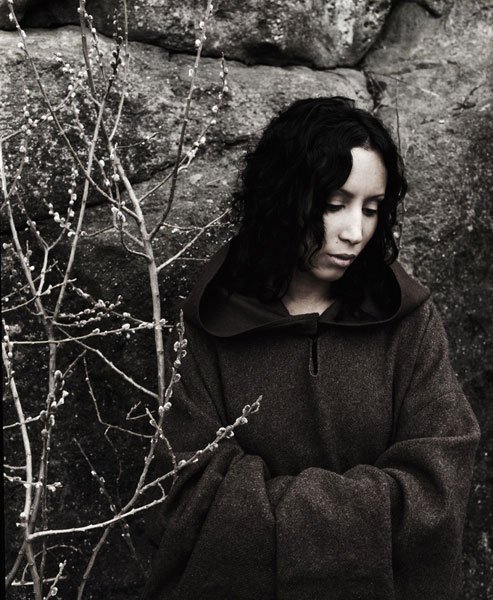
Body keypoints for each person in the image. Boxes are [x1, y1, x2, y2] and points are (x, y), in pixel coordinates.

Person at [142, 97, 480, 600]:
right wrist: (367, 515)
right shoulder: (214, 320)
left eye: (371, 209)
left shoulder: (407, 320)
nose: (355, 232)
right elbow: (188, 494)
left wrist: (271, 513)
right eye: (334, 204)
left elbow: (438, 483)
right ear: (283, 197)